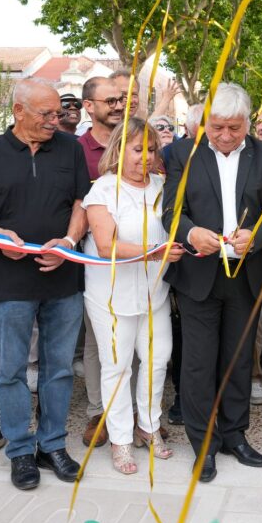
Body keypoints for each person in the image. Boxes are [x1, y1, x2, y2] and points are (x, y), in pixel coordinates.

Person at [0, 79, 90, 491]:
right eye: (46, 114)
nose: (55, 121)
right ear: (18, 111)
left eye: (58, 113)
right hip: (9, 278)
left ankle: (52, 445)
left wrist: (69, 243)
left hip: (62, 274)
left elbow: (82, 203)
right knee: (11, 369)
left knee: (59, 367)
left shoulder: (70, 149)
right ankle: (19, 450)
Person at [161, 82, 262, 483]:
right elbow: (171, 212)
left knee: (238, 359)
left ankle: (234, 435)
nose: (226, 136)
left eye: (234, 127)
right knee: (198, 363)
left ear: (248, 121)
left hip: (247, 273)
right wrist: (190, 232)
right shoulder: (183, 153)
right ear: (204, 123)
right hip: (199, 273)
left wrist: (258, 236)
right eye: (217, 128)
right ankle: (204, 443)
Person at [82, 118, 184, 474]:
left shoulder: (162, 186)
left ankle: (149, 425)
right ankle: (120, 438)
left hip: (155, 292)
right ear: (119, 150)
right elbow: (106, 245)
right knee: (117, 366)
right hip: (111, 295)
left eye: (152, 149)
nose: (146, 157)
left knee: (158, 360)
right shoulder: (103, 190)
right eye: (138, 149)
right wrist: (155, 252)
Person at [77, 73, 138, 447]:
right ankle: (98, 412)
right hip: (98, 257)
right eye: (110, 100)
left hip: (142, 258)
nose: (118, 106)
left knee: (140, 339)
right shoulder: (76, 149)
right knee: (99, 341)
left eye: (122, 100)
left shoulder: (140, 141)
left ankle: (136, 413)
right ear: (89, 106)